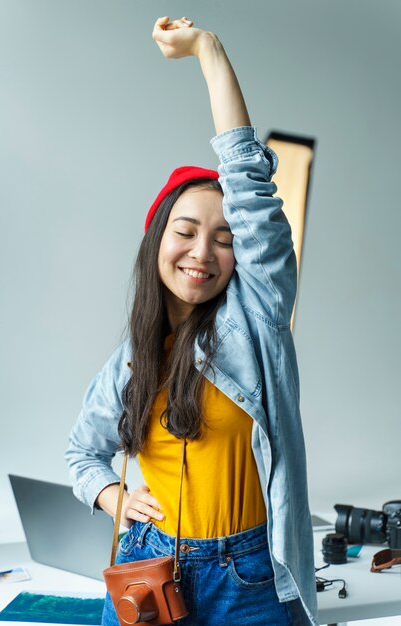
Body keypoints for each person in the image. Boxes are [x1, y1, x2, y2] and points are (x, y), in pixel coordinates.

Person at [65, 16, 318, 626]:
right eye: (185, 231)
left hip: (248, 575)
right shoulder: (133, 356)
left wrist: (209, 51)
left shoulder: (258, 320)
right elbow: (82, 454)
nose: (202, 252)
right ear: (158, 242)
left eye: (224, 239)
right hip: (149, 567)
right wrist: (112, 496)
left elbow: (252, 188)